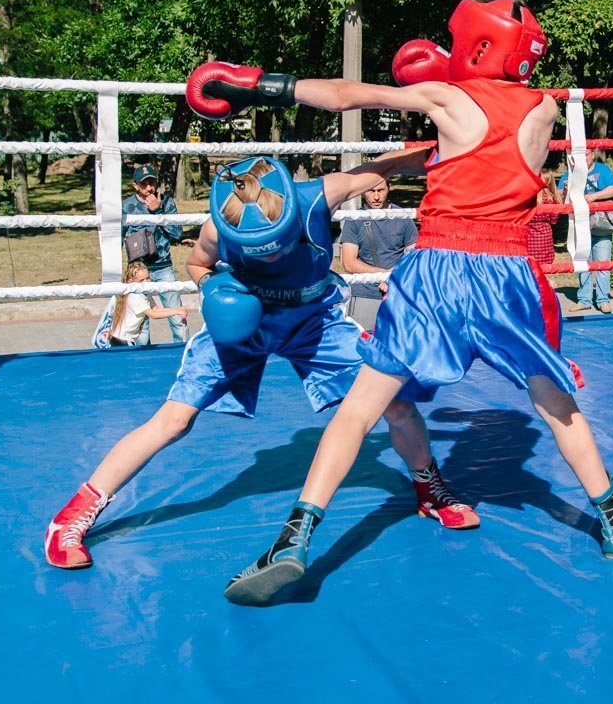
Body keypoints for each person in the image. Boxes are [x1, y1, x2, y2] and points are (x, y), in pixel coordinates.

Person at [186, 0, 613, 606]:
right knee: (555, 404)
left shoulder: (448, 98)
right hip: (511, 273)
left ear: (477, 46)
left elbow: (346, 95)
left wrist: (259, 86)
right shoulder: (545, 106)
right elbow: (492, 134)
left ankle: (293, 540)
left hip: (437, 271)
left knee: (358, 410)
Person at [44, 152, 479, 572]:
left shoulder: (319, 196)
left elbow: (389, 164)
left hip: (314, 321)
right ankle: (71, 518)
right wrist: (213, 289)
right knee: (174, 420)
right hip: (244, 318)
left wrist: (465, 150)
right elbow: (197, 263)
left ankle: (429, 489)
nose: (270, 256)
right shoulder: (217, 227)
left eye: (275, 245)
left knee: (395, 400)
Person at [122, 164, 195, 344]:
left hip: (163, 267)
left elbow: (177, 234)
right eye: (144, 184)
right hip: (138, 271)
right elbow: (117, 237)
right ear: (135, 185)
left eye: (152, 182)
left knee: (177, 316)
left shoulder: (167, 202)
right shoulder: (126, 206)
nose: (149, 188)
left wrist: (158, 211)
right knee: (141, 322)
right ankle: (142, 355)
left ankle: (182, 351)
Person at [339, 177, 418, 331]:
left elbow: (414, 257)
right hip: (364, 295)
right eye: (371, 191)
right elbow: (349, 263)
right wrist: (383, 275)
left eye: (381, 190)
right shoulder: (354, 219)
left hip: (398, 294)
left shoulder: (402, 217)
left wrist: (394, 277)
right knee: (363, 342)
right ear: (363, 192)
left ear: (389, 188)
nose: (376, 196)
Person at [560, 150, 613, 313]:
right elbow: (560, 198)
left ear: (593, 155)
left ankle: (603, 300)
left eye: (586, 154)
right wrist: (566, 190)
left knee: (603, 264)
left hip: (601, 224)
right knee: (582, 263)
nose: (583, 158)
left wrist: (594, 196)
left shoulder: (603, 170)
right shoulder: (571, 172)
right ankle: (584, 300)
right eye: (580, 154)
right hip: (580, 225)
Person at [108, 261, 188, 346]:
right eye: (141, 280)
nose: (146, 282)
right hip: (122, 339)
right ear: (131, 281)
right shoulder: (135, 296)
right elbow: (153, 314)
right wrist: (176, 312)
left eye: (148, 278)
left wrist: (177, 309)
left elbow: (156, 309)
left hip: (127, 338)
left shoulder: (144, 291)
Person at [527, 171, 560, 268]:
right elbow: (554, 220)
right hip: (544, 233)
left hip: (529, 232)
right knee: (544, 266)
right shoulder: (551, 198)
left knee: (529, 265)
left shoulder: (529, 196)